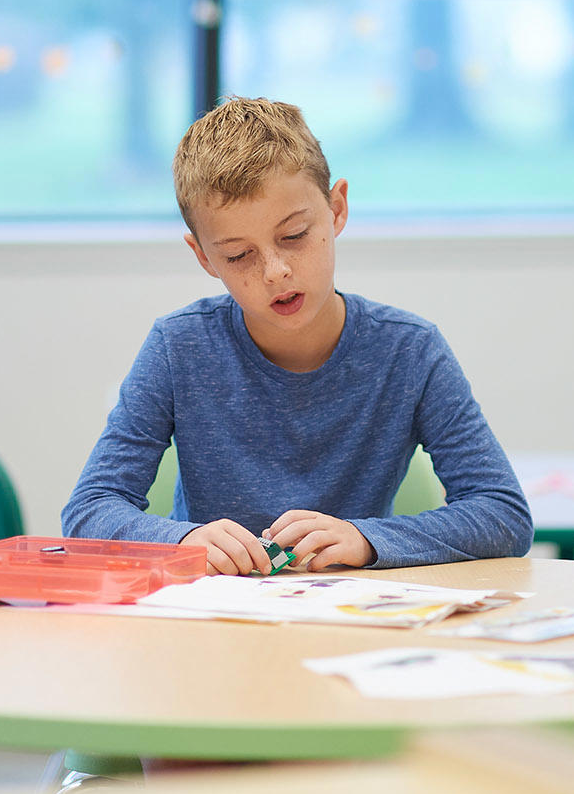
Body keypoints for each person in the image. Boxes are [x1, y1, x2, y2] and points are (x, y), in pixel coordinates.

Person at [61, 96, 532, 575]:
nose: (276, 272)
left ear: (337, 209)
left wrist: (367, 539)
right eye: (239, 256)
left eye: (294, 236)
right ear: (203, 256)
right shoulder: (177, 347)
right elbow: (89, 510)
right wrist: (183, 539)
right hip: (210, 623)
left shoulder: (410, 350)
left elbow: (503, 514)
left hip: (352, 624)